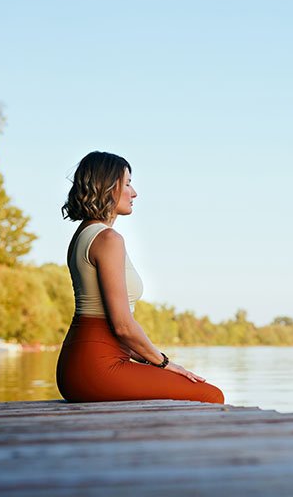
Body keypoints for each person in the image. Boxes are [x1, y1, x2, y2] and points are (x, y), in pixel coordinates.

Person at [56, 151, 224, 404]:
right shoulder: (108, 239)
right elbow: (122, 326)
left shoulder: (83, 235)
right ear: (107, 187)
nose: (134, 193)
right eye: (127, 184)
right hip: (96, 368)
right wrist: (165, 363)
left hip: (79, 364)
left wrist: (152, 360)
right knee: (210, 396)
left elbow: (115, 328)